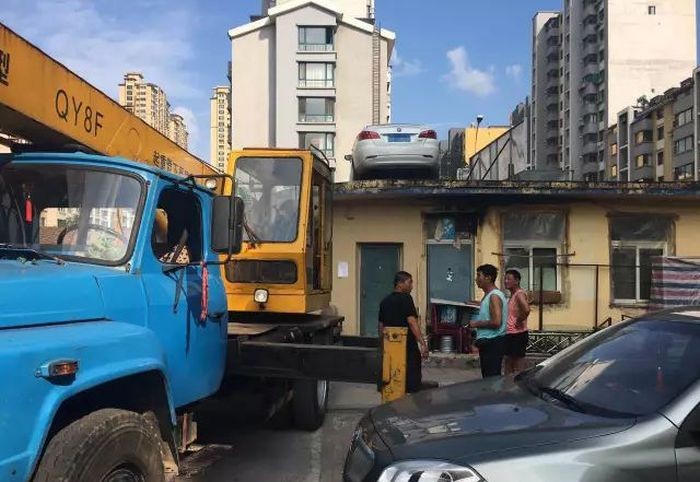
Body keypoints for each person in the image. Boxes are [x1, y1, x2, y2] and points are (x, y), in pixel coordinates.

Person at [378, 271, 429, 393]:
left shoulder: (384, 301)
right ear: (400, 283)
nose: (411, 286)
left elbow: (381, 326)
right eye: (409, 282)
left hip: (390, 347)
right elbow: (412, 322)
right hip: (408, 347)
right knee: (412, 381)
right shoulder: (406, 299)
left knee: (392, 380)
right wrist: (422, 343)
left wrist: (382, 345)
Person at [467, 264, 508, 378]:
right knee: (488, 377)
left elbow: (496, 322)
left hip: (493, 343)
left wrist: (475, 323)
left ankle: (493, 396)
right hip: (489, 342)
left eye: (479, 275)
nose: (476, 279)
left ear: (488, 278)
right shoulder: (489, 296)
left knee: (492, 378)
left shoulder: (494, 296)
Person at [503, 269, 531, 376]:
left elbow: (526, 309)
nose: (505, 281)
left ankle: (519, 387)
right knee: (508, 362)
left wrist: (519, 321)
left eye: (509, 279)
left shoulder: (519, 294)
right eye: (505, 279)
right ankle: (508, 386)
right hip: (511, 334)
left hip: (518, 334)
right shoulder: (512, 295)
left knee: (517, 364)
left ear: (517, 281)